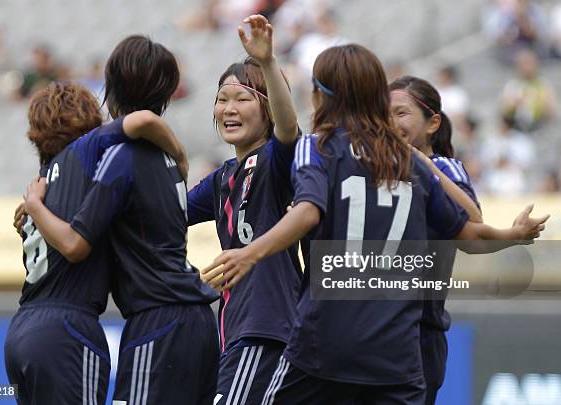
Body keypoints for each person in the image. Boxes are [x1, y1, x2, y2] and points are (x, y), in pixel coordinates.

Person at [201, 44, 548, 404]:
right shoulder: (409, 160)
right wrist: (514, 235)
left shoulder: (317, 148)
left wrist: (250, 254)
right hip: (396, 347)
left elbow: (307, 211)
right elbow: (470, 232)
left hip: (325, 340)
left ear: (321, 95)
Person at [20, 35, 220, 405]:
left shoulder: (120, 157)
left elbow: (76, 243)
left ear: (109, 88)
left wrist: (36, 207)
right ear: (167, 92)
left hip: (159, 321)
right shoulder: (164, 162)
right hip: (198, 319)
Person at [5, 81, 186, 404]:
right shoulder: (86, 150)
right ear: (87, 118)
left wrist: (33, 207)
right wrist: (180, 159)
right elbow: (143, 120)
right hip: (67, 329)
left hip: (22, 329)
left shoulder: (44, 179)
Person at [389, 74, 546, 404]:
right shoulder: (375, 172)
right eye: (384, 114)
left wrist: (512, 236)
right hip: (368, 326)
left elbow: (471, 225)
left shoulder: (444, 168)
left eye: (401, 113)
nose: (391, 122)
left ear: (433, 123)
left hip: (418, 331)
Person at [187, 15, 302, 404]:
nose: (228, 108)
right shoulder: (222, 177)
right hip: (236, 331)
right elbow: (165, 213)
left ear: (267, 108)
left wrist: (268, 63)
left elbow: (289, 129)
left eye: (243, 98)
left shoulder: (275, 159)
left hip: (265, 329)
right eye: (222, 98)